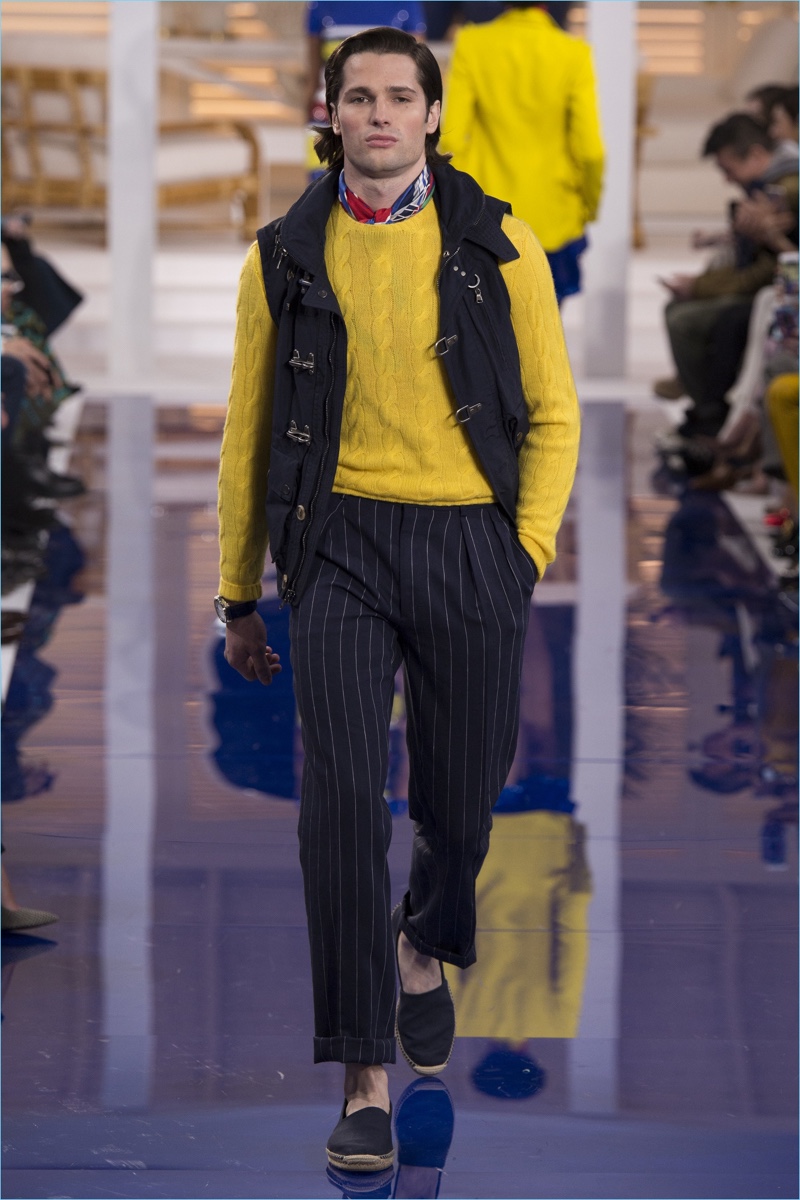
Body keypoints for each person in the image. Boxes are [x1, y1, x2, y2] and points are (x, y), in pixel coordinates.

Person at [216, 26, 579, 1172]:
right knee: (336, 805)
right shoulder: (282, 255)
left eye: (397, 96)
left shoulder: (497, 240)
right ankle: (363, 1076)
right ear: (328, 114)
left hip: (471, 542)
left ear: (429, 114)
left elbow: (553, 411)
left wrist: (522, 551)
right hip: (336, 546)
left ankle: (424, 940)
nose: (377, 114)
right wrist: (237, 591)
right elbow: (246, 432)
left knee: (462, 805)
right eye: (357, 96)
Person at [439, 1, 604, 304]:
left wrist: (452, 204)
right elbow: (590, 151)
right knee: (546, 323)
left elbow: (451, 138)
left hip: (486, 215)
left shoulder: (473, 44)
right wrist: (589, 208)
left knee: (485, 321)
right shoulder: (574, 53)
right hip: (553, 216)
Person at [655, 113, 798, 438]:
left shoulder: (784, 190)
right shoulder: (773, 187)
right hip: (783, 290)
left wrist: (700, 287)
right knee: (763, 331)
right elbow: (780, 262)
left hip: (782, 294)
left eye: (728, 169)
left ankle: (723, 425)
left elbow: (775, 269)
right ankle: (725, 424)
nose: (727, 179)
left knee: (761, 331)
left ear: (757, 154)